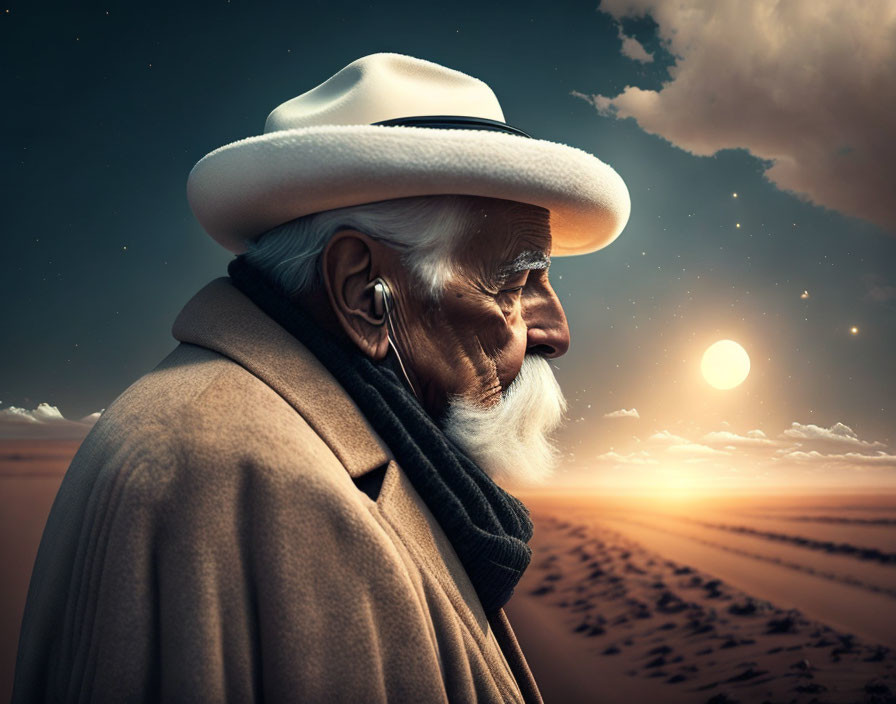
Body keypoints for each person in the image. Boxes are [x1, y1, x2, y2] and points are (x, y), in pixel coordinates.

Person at [12, 52, 629, 703]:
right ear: (365, 291)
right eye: (512, 285)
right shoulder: (243, 476)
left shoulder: (287, 443)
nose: (555, 333)